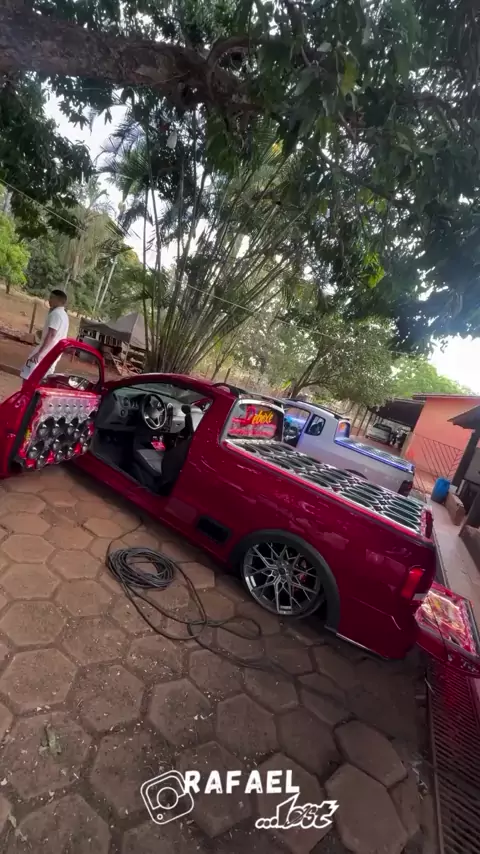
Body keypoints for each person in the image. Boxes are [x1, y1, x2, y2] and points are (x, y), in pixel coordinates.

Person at [20, 289, 69, 383]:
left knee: (28, 376)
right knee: (43, 379)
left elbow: (52, 334)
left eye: (51, 298)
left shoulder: (56, 314)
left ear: (58, 300)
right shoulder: (64, 315)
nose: (49, 300)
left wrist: (39, 353)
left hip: (45, 351)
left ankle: (26, 392)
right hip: (54, 352)